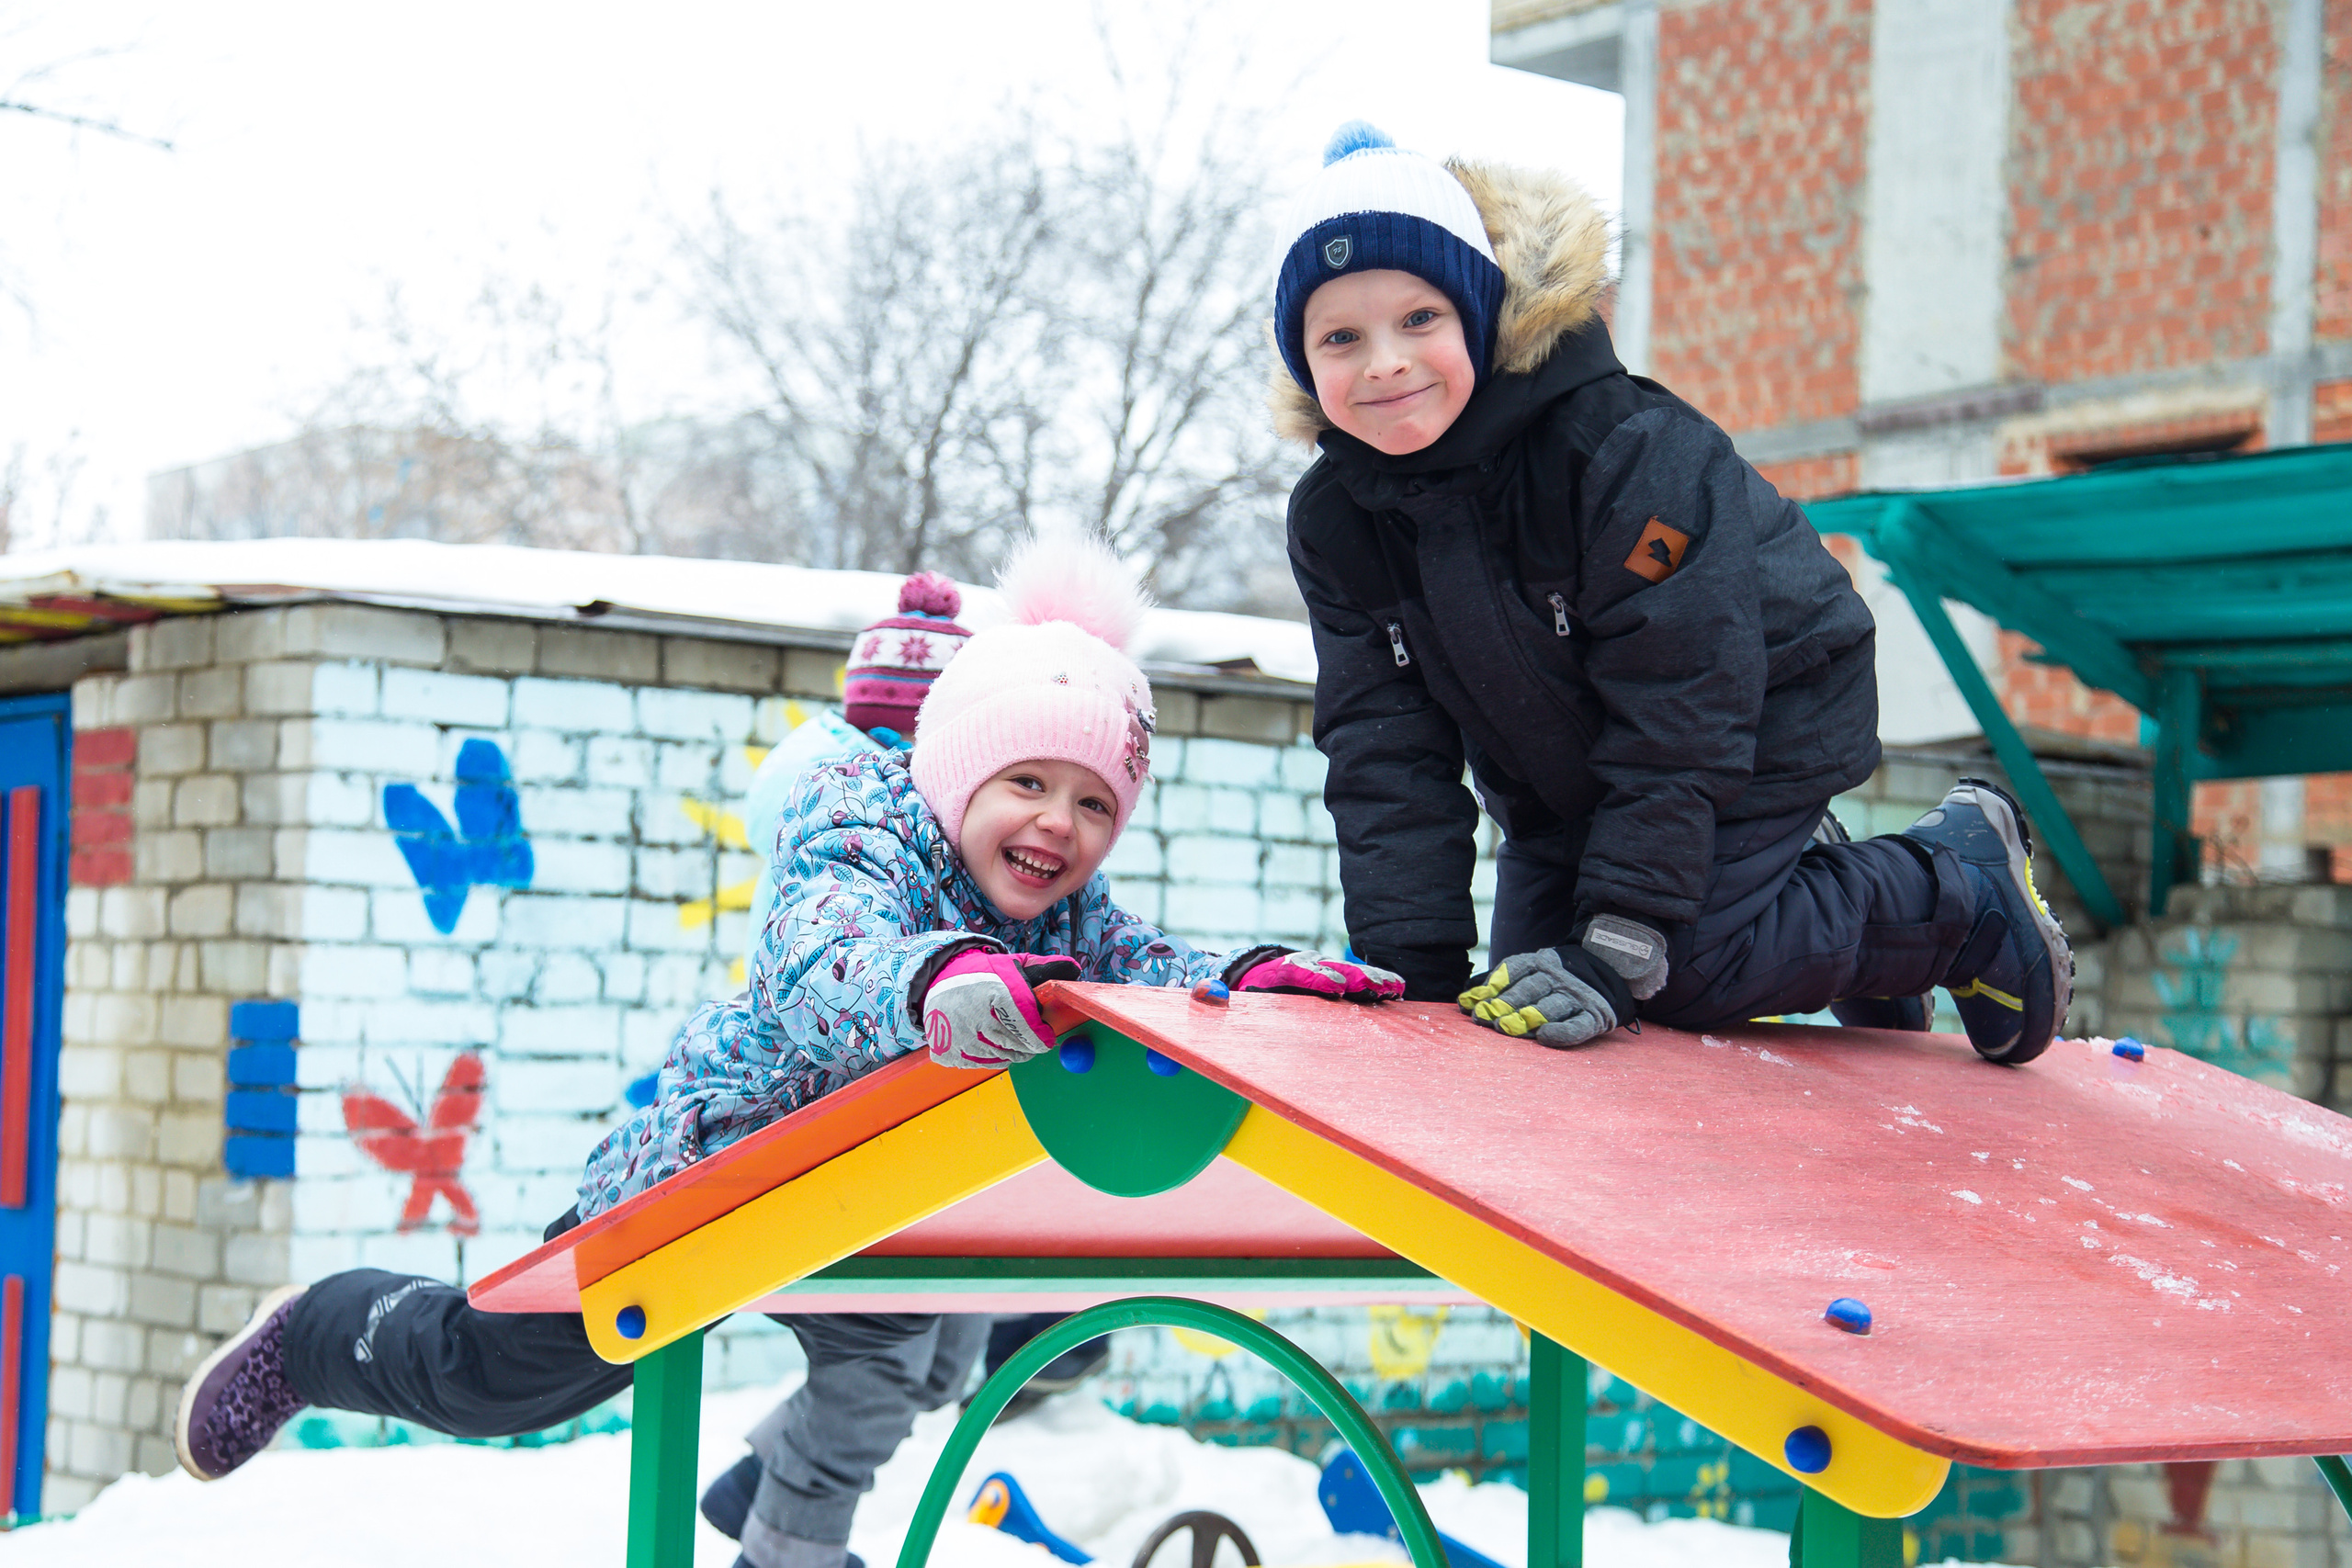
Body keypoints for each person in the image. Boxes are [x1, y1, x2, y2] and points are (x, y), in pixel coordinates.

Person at [174, 532, 1402, 1568]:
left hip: (882, 1194)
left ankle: (772, 1525)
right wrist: (935, 977)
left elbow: (1146, 957)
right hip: (720, 1165)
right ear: (961, 769)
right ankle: (320, 1332)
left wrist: (1246, 975)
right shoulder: (861, 827)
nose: (1058, 824)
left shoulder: (1067, 911)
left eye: (1093, 803)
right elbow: (823, 954)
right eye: (1028, 779)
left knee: (901, 1374)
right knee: (501, 1375)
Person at [1269, 122, 2072, 1064]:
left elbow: (1684, 697)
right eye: (1339, 337)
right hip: (1568, 778)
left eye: (1419, 320)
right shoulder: (1337, 520)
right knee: (1522, 1012)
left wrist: (1623, 944)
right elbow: (1382, 752)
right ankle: (1814, 910)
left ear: (1481, 316)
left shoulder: (1619, 450)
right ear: (1300, 361)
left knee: (1675, 971)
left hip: (1764, 708)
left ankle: (1952, 892)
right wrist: (1417, 984)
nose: (1384, 364)